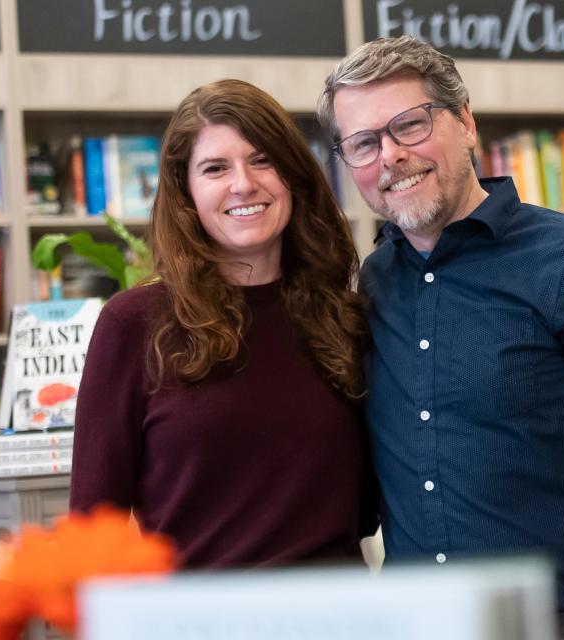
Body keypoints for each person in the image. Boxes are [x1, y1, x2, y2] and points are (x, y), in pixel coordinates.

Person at [317, 36, 564, 639]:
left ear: (466, 122)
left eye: (409, 126)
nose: (390, 156)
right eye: (364, 143)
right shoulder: (372, 285)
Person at [70, 79, 376, 569]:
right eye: (215, 168)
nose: (243, 183)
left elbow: (365, 510)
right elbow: (91, 530)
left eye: (262, 160)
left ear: (293, 175)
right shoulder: (132, 326)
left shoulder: (344, 315)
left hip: (335, 614)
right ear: (186, 192)